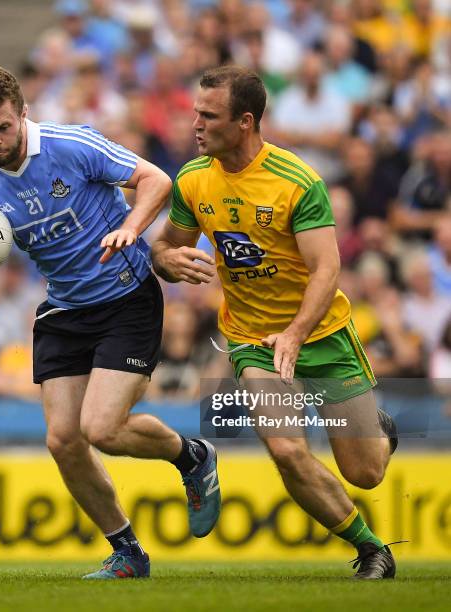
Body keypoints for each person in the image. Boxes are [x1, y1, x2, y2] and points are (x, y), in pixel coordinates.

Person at [0, 66, 221, 579]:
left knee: (102, 428)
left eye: (4, 127)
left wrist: (132, 229)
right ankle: (128, 553)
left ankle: (192, 456)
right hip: (64, 309)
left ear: (23, 114)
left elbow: (156, 179)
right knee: (64, 441)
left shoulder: (70, 145)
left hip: (125, 298)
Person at [151, 65, 399, 580]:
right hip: (251, 339)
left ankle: (379, 433)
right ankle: (372, 548)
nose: (194, 123)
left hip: (321, 334)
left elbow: (327, 270)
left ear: (245, 121)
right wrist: (166, 259)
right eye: (194, 112)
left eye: (207, 115)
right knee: (286, 449)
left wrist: (295, 333)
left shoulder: (297, 181)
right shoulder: (193, 178)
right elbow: (166, 244)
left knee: (367, 472)